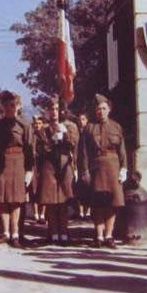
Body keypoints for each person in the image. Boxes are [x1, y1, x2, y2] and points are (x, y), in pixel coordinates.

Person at [0, 91, 34, 248]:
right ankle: (5, 233)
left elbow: (30, 149)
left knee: (17, 201)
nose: (10, 108)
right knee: (3, 200)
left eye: (13, 105)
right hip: (1, 163)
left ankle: (16, 234)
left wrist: (29, 172)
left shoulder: (24, 125)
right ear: (3, 107)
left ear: (18, 106)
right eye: (6, 105)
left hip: (18, 162)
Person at [78, 94, 127, 249]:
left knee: (112, 202)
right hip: (96, 167)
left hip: (113, 166)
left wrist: (124, 168)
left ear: (109, 109)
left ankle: (109, 236)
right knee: (97, 203)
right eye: (98, 109)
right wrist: (84, 170)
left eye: (104, 108)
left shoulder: (117, 126)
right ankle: (98, 236)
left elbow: (122, 150)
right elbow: (83, 151)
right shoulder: (89, 128)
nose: (101, 111)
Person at [33, 97, 77, 245]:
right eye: (52, 109)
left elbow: (74, 144)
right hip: (49, 167)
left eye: (57, 109)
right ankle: (52, 233)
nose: (54, 112)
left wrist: (64, 135)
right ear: (47, 111)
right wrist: (53, 140)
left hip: (64, 165)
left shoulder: (69, 126)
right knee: (50, 202)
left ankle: (64, 232)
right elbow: (41, 148)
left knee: (64, 201)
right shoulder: (43, 130)